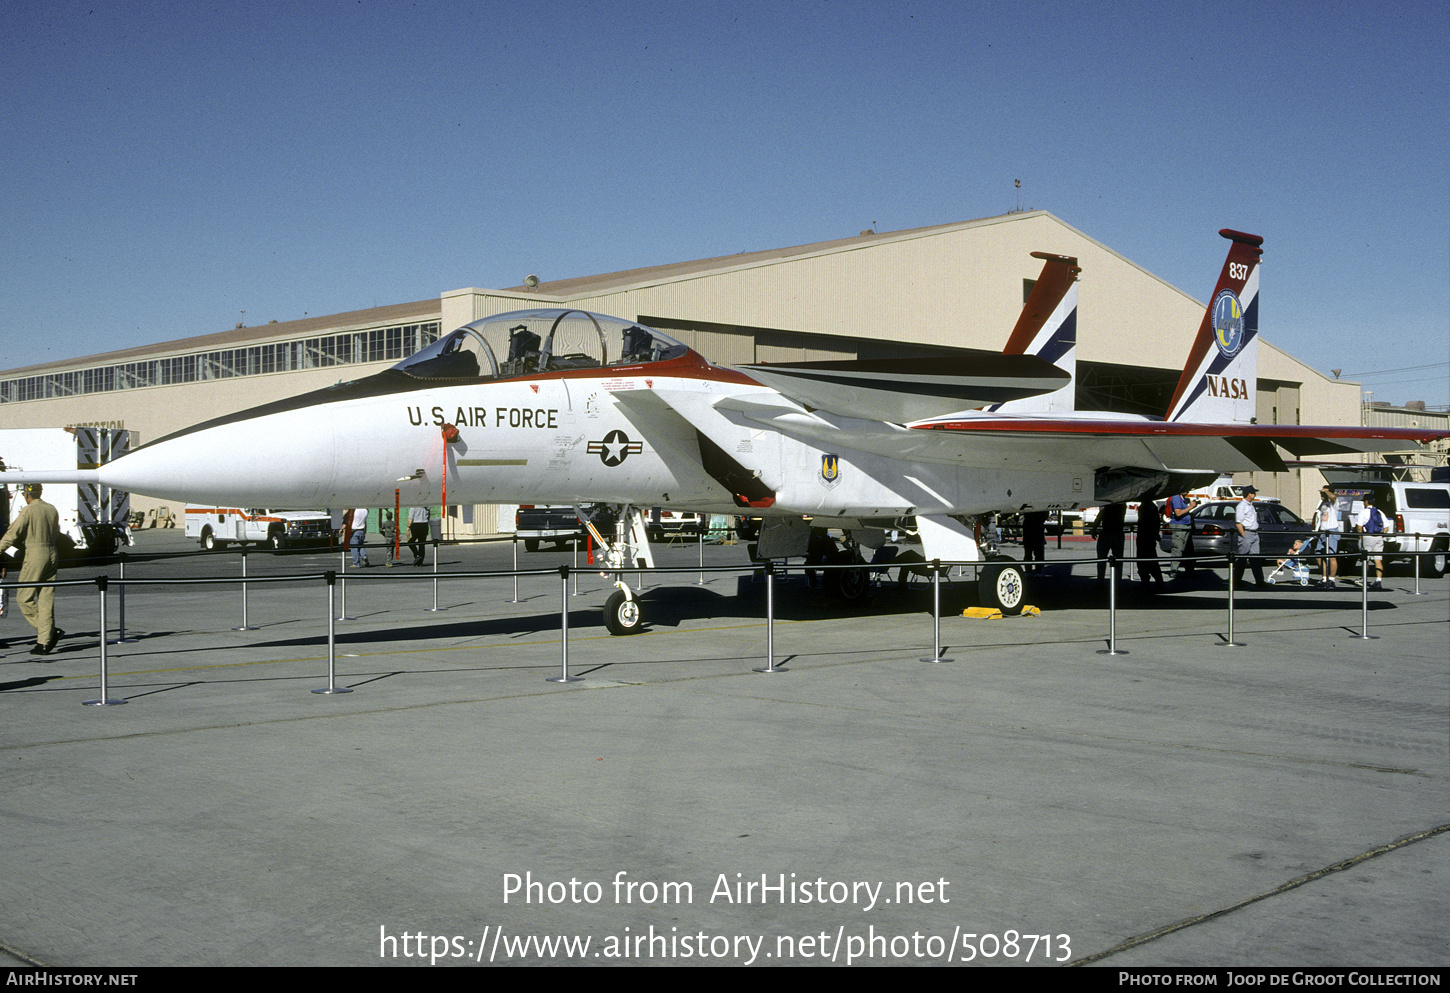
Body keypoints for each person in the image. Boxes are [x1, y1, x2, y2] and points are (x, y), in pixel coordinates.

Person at [0, 483, 64, 654]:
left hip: (36, 553)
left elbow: (12, 534)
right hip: (52, 552)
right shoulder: (51, 509)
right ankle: (43, 642)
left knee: (23, 598)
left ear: (26, 495)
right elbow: (56, 533)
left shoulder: (28, 510)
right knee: (45, 599)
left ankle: (49, 632)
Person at [1232, 485, 1266, 587]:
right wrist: (1244, 535)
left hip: (1254, 533)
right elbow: (1238, 523)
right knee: (1242, 559)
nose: (1254, 495)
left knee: (1255, 558)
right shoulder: (1241, 506)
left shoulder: (1251, 505)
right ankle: (1236, 581)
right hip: (1247, 533)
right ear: (1249, 494)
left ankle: (1260, 581)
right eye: (1253, 493)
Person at [1354, 492, 1389, 591]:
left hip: (1367, 536)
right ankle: (1378, 581)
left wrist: (1360, 537)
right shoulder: (1379, 511)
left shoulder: (1363, 512)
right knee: (1378, 559)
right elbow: (1386, 526)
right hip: (1378, 537)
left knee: (1366, 559)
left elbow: (1359, 526)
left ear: (1366, 502)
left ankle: (1364, 579)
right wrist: (1382, 535)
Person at [1165, 491, 1200, 579]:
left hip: (1185, 525)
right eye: (1186, 489)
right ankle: (1174, 571)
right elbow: (1178, 513)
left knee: (1188, 549)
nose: (1188, 491)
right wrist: (1191, 507)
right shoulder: (1176, 497)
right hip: (1179, 526)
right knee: (1178, 549)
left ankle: (1189, 570)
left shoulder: (1182, 498)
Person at [1312, 486, 1343, 588]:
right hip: (1323, 532)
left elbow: (1333, 497)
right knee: (1319, 555)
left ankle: (1332, 579)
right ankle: (1324, 578)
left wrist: (1327, 493)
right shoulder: (1323, 504)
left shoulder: (1333, 504)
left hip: (1332, 531)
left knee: (1331, 556)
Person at [1136, 500, 1165, 592]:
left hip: (1145, 536)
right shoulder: (1150, 506)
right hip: (1147, 536)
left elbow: (1151, 522)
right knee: (1150, 560)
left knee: (1147, 560)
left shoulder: (1148, 507)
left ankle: (1149, 582)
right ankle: (1154, 581)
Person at [1095, 503, 1127, 581]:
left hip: (1108, 532)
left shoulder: (1108, 508)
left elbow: (1100, 516)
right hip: (1116, 532)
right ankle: (1117, 580)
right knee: (1118, 559)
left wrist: (1094, 528)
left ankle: (1101, 580)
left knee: (1101, 559)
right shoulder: (1121, 506)